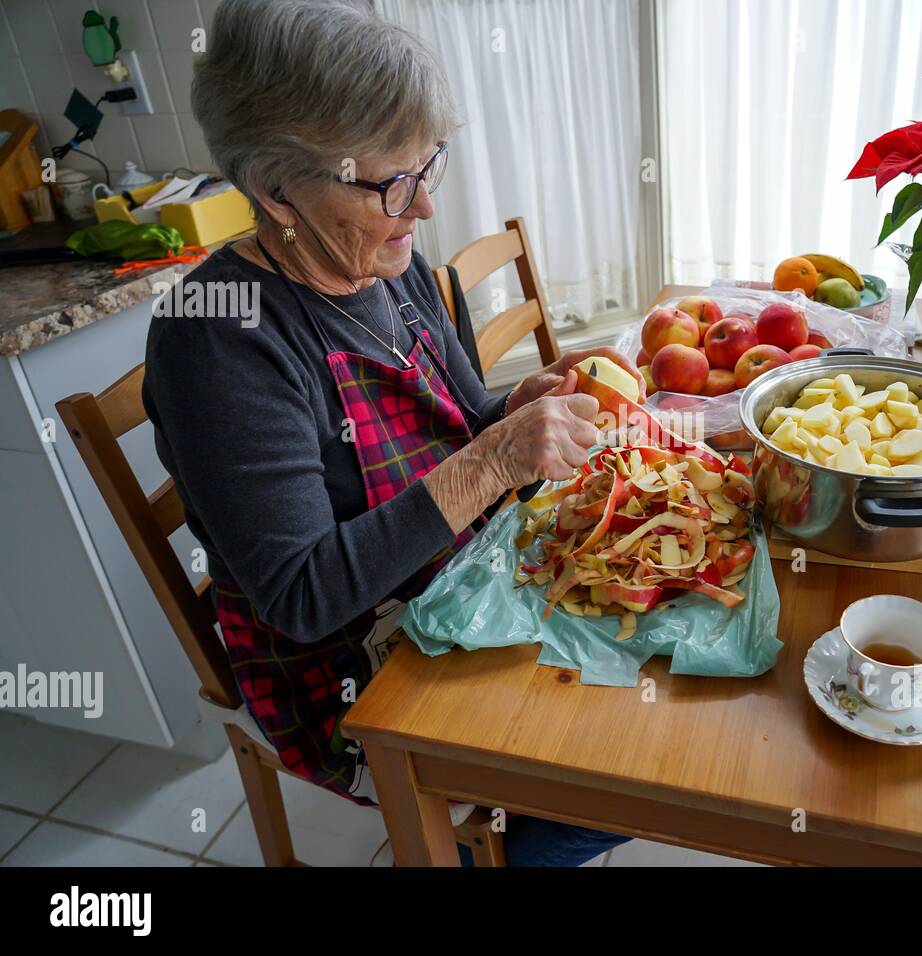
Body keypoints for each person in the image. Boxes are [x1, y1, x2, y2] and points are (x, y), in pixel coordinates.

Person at [144, 0, 638, 866]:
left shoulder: (382, 262)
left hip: (462, 581)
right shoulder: (216, 339)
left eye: (428, 167)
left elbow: (456, 427)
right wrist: (493, 460)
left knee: (654, 669)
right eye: (389, 184)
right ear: (275, 190)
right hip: (351, 666)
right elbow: (302, 598)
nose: (422, 208)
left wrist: (512, 415)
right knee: (620, 774)